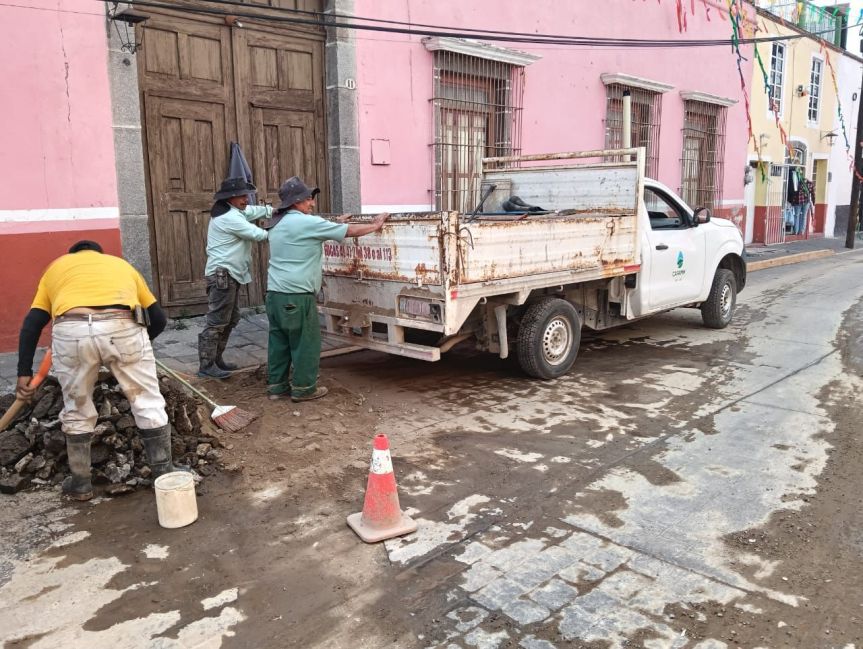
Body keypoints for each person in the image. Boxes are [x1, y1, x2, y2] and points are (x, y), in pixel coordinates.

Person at [15, 240, 181, 501]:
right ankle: (163, 473)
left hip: (72, 330)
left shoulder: (56, 268)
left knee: (76, 407)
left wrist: (23, 371)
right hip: (122, 326)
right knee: (148, 402)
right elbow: (158, 319)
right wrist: (138, 349)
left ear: (73, 256)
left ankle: (81, 484)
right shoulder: (121, 266)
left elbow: (33, 322)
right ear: (100, 255)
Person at [264, 176, 389, 402]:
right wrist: (376, 225)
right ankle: (303, 389)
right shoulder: (305, 222)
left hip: (274, 295)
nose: (312, 203)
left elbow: (311, 234)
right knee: (305, 343)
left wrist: (335, 223)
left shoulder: (276, 221)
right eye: (308, 200)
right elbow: (349, 231)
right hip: (297, 297)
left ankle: (277, 386)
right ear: (297, 202)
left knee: (279, 342)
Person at [198, 177, 272, 379]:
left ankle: (216, 360)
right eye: (242, 196)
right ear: (230, 197)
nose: (246, 199)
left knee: (230, 319)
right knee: (217, 321)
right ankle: (207, 366)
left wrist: (272, 211)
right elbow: (259, 235)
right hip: (223, 276)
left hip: (229, 275)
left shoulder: (231, 210)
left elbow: (251, 211)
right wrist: (285, 229)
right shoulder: (229, 218)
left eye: (246, 195)